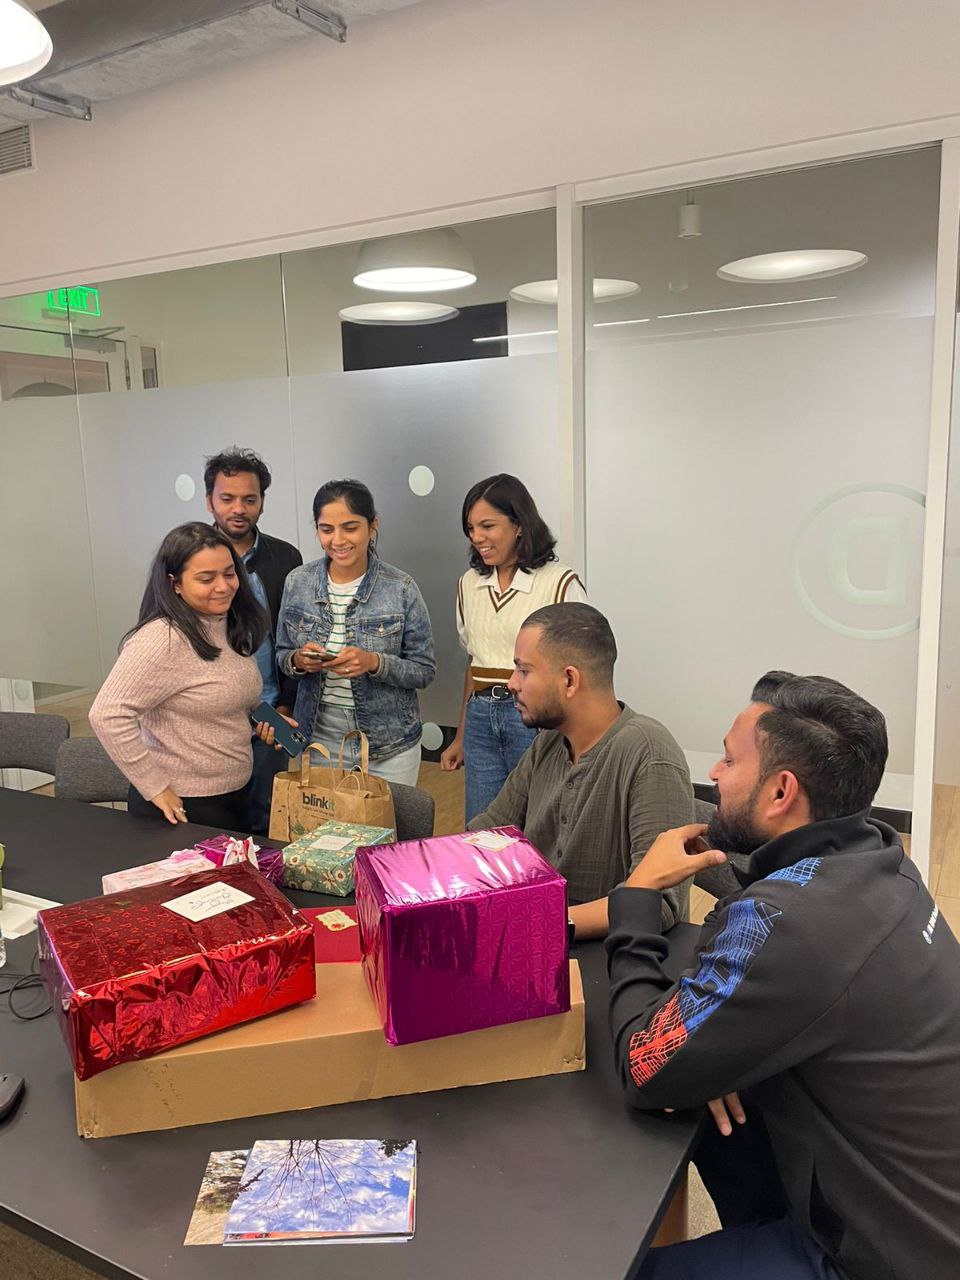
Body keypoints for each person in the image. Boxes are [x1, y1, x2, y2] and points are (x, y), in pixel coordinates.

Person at [606, 671, 960, 1280]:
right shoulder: (878, 858)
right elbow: (753, 953)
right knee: (718, 1112)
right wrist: (711, 1048)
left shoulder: (790, 920)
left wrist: (635, 899)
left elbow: (646, 1067)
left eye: (728, 759)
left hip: (889, 1258)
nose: (714, 773)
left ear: (780, 791)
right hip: (919, 1205)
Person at [469, 603, 694, 935]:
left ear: (570, 680)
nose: (512, 683)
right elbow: (490, 832)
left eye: (524, 670)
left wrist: (538, 923)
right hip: (538, 935)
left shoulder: (650, 754)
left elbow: (655, 905)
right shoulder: (548, 743)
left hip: (607, 954)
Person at [89, 523, 270, 829]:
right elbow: (106, 714)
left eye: (229, 574)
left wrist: (262, 720)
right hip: (185, 805)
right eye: (206, 579)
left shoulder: (225, 624)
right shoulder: (162, 638)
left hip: (236, 793)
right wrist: (155, 787)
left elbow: (221, 697)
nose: (224, 587)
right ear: (175, 584)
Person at [441, 474, 587, 822]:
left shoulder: (559, 582)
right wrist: (461, 736)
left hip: (537, 720)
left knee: (538, 824)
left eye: (487, 525)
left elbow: (582, 671)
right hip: (480, 718)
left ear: (519, 524)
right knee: (482, 828)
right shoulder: (469, 584)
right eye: (470, 528)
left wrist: (580, 742)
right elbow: (474, 663)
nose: (476, 537)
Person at [276, 479, 435, 786]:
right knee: (326, 819)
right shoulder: (298, 582)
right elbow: (282, 655)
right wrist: (298, 660)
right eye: (326, 529)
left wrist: (374, 662)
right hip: (320, 739)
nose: (338, 540)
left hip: (389, 742)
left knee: (389, 819)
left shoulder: (401, 588)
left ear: (372, 526)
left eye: (350, 528)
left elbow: (424, 670)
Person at [204, 447, 303, 833]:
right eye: (227, 498)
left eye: (249, 499)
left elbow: (294, 635)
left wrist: (286, 705)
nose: (238, 509)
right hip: (212, 723)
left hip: (270, 716)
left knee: (267, 822)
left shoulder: (285, 558)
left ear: (262, 502)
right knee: (214, 826)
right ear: (209, 501)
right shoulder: (191, 557)